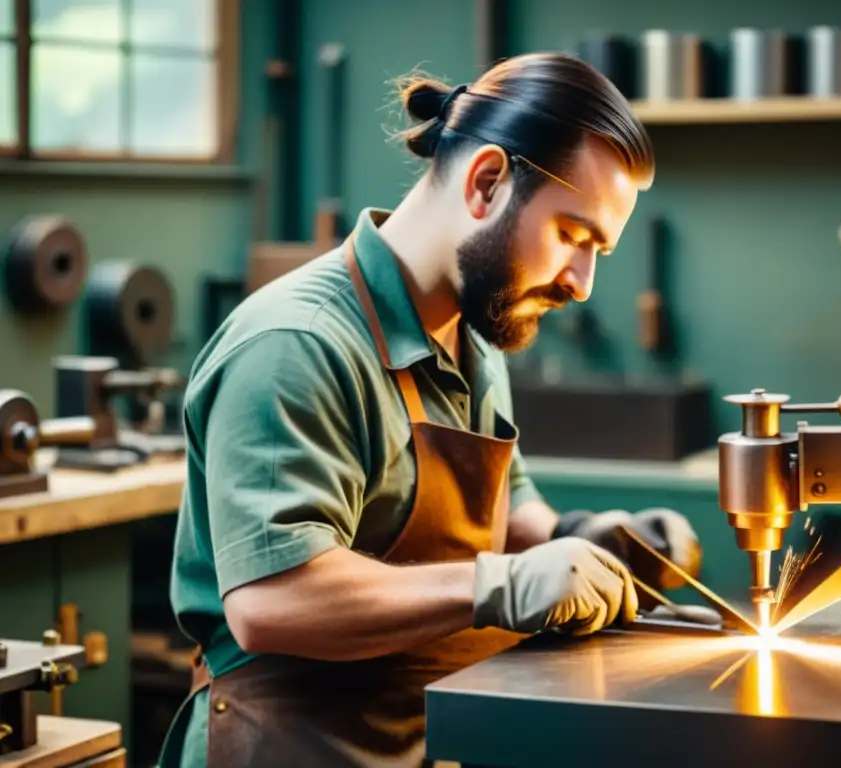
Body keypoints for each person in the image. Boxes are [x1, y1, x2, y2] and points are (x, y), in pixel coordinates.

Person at [158, 52, 706, 768]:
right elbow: (271, 602)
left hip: (414, 739)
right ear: (486, 182)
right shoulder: (298, 343)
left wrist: (593, 539)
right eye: (574, 236)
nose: (581, 281)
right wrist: (502, 585)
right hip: (285, 747)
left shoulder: (475, 336)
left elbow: (501, 507)